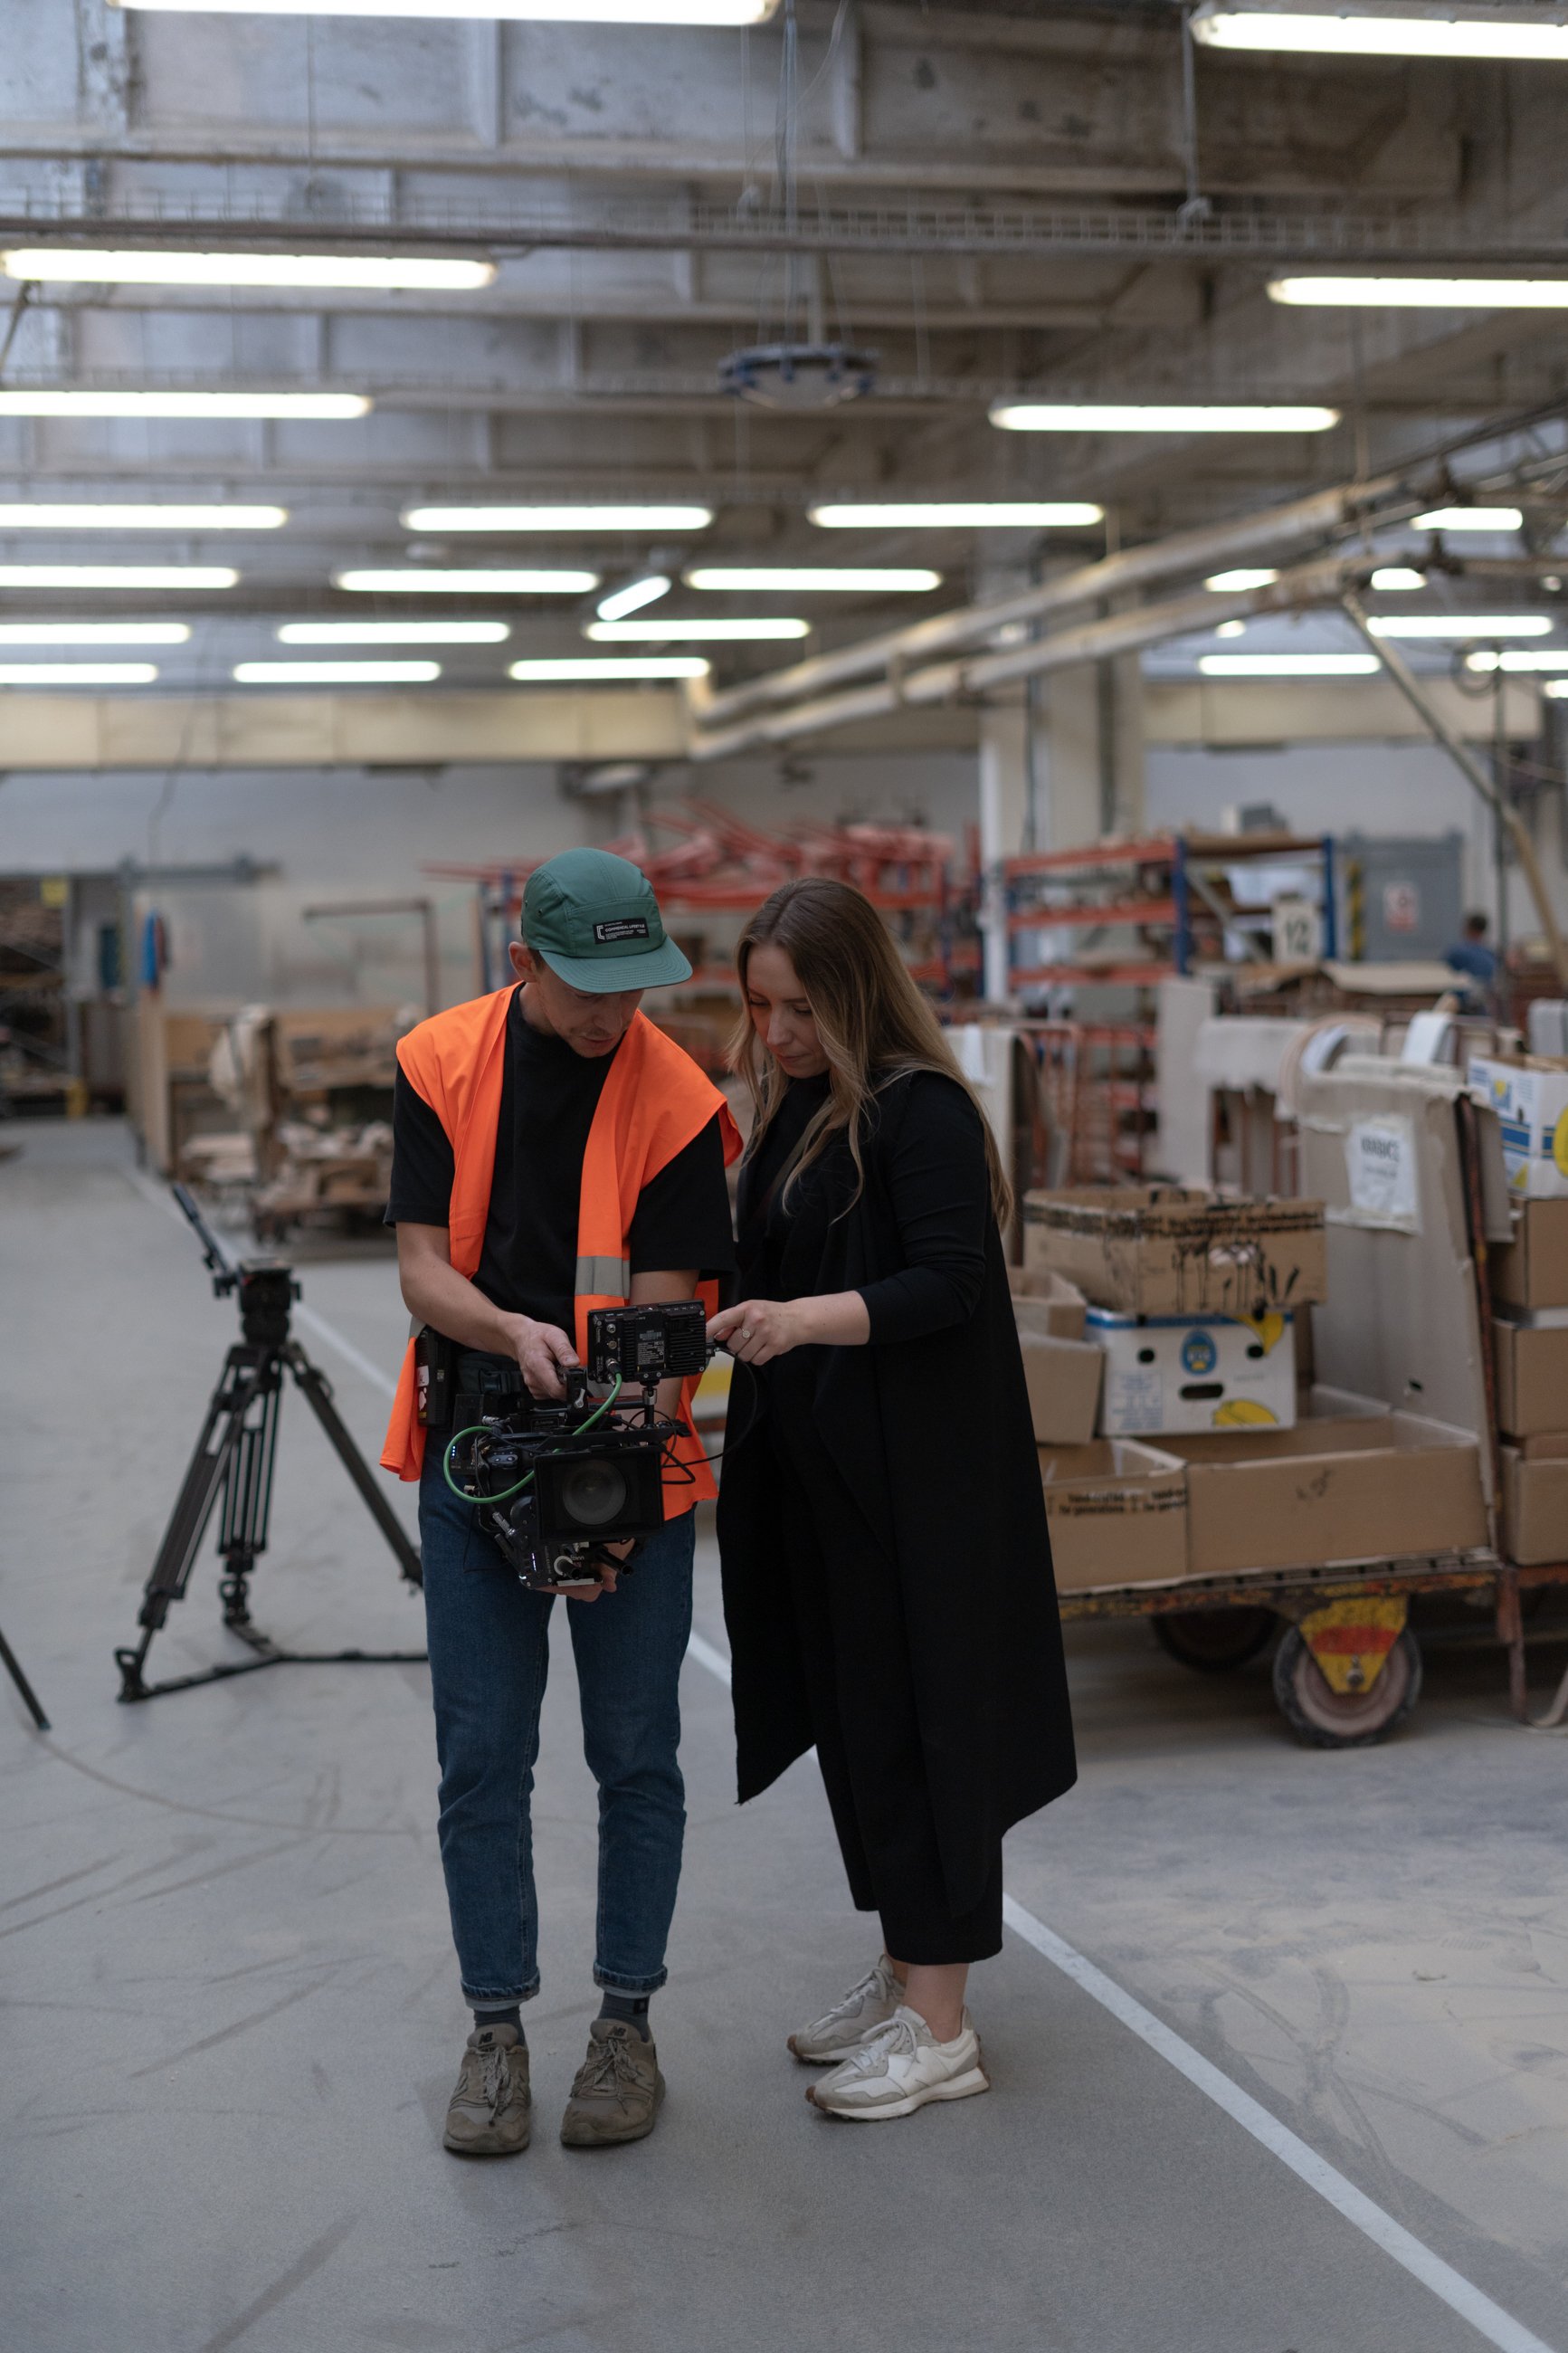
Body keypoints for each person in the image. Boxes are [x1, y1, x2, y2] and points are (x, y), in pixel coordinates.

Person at [381, 848, 740, 2158]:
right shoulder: (437, 1064)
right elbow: (423, 1269)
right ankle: (495, 2030)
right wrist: (511, 1331)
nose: (612, 1013)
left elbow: (665, 1314)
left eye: (633, 986)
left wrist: (601, 1501)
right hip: (477, 1446)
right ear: (523, 962)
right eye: (587, 985)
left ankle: (625, 2026)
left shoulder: (679, 1097)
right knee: (483, 1757)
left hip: (628, 1462)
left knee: (635, 1754)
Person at [708, 877, 1076, 2124]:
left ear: (859, 993)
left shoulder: (918, 1114)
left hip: (920, 1490)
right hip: (827, 1486)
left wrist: (800, 1321)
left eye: (801, 1008)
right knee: (861, 1730)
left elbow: (951, 1285)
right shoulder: (795, 1110)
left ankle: (943, 2025)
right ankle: (908, 1968)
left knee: (929, 1735)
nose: (778, 1034)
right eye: (760, 1008)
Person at [1445, 910, 1500, 1011]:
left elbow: (1439, 971)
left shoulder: (1458, 953)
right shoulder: (1490, 954)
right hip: (1485, 1008)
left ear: (1468, 928)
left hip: (1463, 1008)